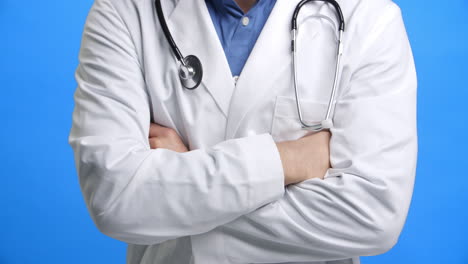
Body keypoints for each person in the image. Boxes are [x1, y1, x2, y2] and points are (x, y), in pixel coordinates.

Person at [68, 0, 417, 263]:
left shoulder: (369, 17)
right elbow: (115, 200)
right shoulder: (123, 12)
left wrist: (181, 191)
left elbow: (374, 215)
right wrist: (287, 160)